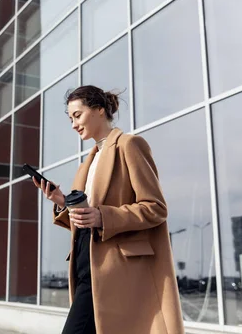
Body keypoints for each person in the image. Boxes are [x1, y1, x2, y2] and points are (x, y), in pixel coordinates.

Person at [33, 85, 184, 334]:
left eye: (77, 115)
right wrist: (61, 201)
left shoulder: (129, 145)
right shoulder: (87, 163)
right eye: (70, 118)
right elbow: (84, 219)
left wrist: (104, 216)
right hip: (84, 264)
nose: (73, 124)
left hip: (112, 268)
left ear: (100, 110)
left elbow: (155, 208)